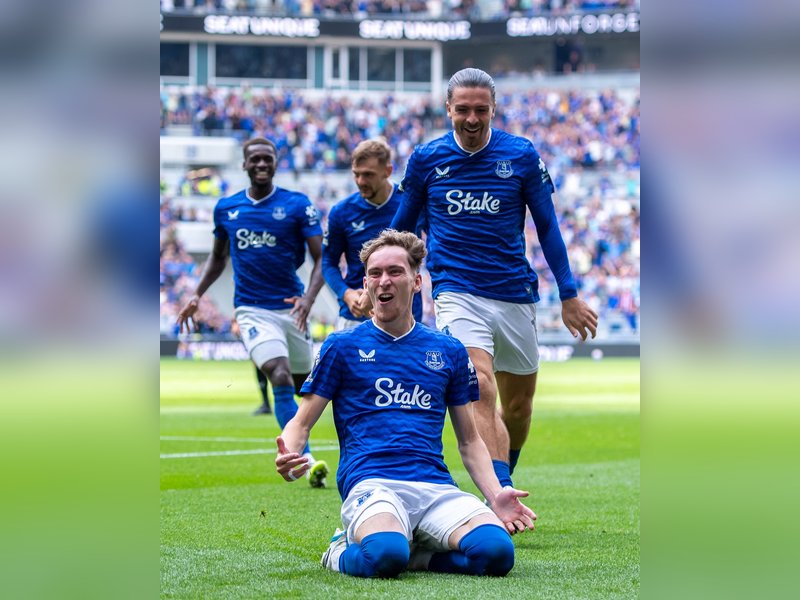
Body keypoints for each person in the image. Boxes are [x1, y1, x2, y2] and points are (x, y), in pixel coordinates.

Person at [275, 230, 536, 578]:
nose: (384, 281)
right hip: (371, 484)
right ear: (366, 283)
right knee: (384, 556)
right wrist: (291, 451)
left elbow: (470, 440)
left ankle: (420, 558)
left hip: (434, 488)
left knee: (497, 553)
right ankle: (339, 550)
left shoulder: (449, 351)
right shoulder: (341, 347)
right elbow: (302, 421)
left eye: (395, 272)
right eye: (375, 273)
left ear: (415, 281)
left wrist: (496, 493)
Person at [390, 68, 598, 489]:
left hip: (514, 294)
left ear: (493, 110)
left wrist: (569, 294)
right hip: (456, 291)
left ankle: (505, 472)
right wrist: (378, 283)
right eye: (462, 109)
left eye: (480, 110)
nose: (471, 118)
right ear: (448, 109)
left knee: (519, 409)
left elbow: (548, 227)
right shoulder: (426, 160)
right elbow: (402, 231)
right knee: (479, 385)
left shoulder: (520, 155)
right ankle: (500, 493)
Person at [177, 136, 328, 488]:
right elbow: (218, 257)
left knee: (304, 386)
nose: (261, 164)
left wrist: (308, 298)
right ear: (244, 164)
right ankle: (303, 459)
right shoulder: (227, 209)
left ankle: (316, 449)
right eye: (255, 159)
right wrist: (197, 294)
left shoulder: (296, 205)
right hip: (251, 309)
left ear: (276, 163)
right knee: (278, 373)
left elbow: (321, 257)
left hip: (292, 308)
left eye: (267, 159)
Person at [322, 138, 423, 330]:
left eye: (368, 175)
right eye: (356, 175)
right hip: (356, 316)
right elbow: (327, 263)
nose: (361, 181)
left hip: (407, 317)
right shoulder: (342, 212)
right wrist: (345, 293)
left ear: (388, 171)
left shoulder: (410, 202)